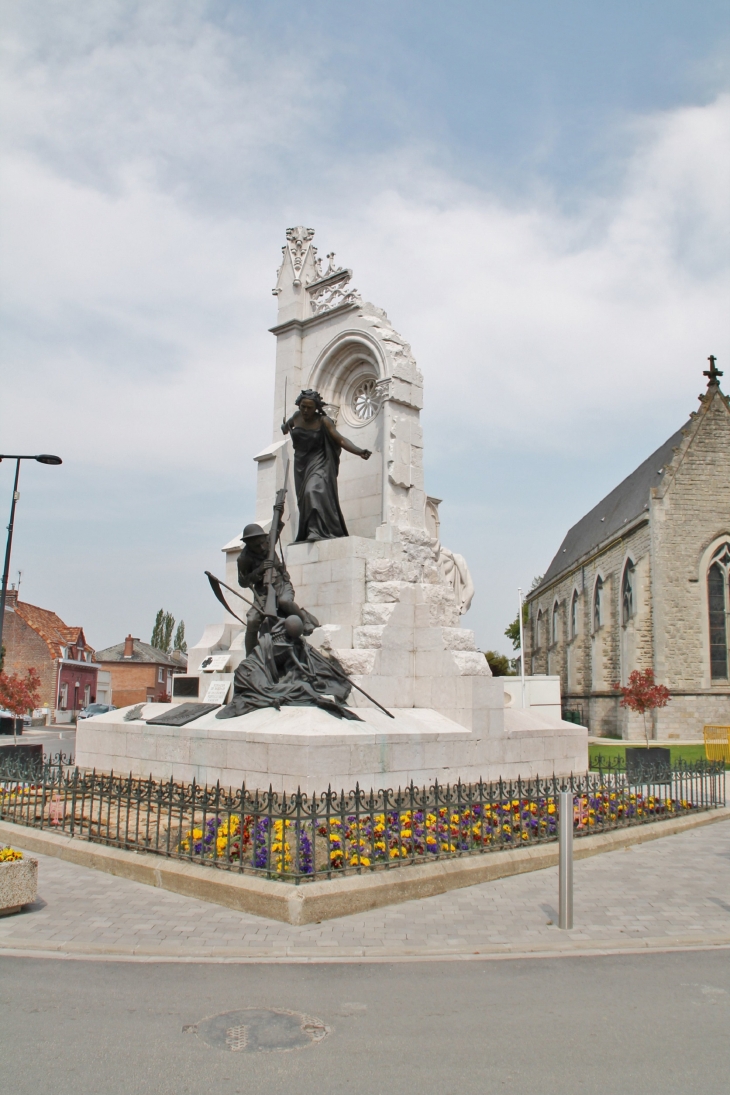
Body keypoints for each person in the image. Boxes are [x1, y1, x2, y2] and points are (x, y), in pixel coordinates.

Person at [216, 615, 361, 721]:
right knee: (285, 689)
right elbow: (297, 665)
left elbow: (299, 664)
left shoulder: (292, 642)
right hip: (249, 671)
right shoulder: (283, 643)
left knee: (298, 687)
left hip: (259, 671)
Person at [282, 388, 371, 542]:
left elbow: (340, 439)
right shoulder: (296, 417)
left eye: (309, 407)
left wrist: (359, 451)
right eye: (303, 406)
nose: (305, 410)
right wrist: (284, 427)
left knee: (313, 491)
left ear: (316, 407)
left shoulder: (323, 421)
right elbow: (287, 427)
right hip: (301, 464)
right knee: (304, 500)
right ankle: (311, 528)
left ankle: (315, 531)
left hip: (319, 462)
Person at [236, 523, 317, 655]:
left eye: (263, 543)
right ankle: (250, 658)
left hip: (281, 584)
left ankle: (304, 621)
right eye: (257, 546)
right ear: (248, 544)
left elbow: (277, 522)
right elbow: (243, 582)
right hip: (262, 593)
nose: (262, 547)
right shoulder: (243, 559)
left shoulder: (270, 539)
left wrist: (279, 508)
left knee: (285, 602)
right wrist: (259, 570)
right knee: (252, 620)